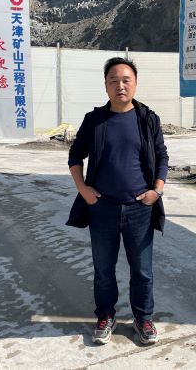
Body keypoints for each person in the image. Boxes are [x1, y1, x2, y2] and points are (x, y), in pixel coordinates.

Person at [66, 57, 169, 346]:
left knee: (142, 270)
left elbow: (162, 156)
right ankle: (105, 316)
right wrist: (83, 189)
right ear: (106, 85)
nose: (120, 85)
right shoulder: (95, 120)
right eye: (113, 80)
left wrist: (157, 191)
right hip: (103, 209)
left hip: (140, 209)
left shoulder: (148, 119)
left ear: (135, 84)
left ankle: (143, 318)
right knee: (103, 270)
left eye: (126, 80)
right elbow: (75, 156)